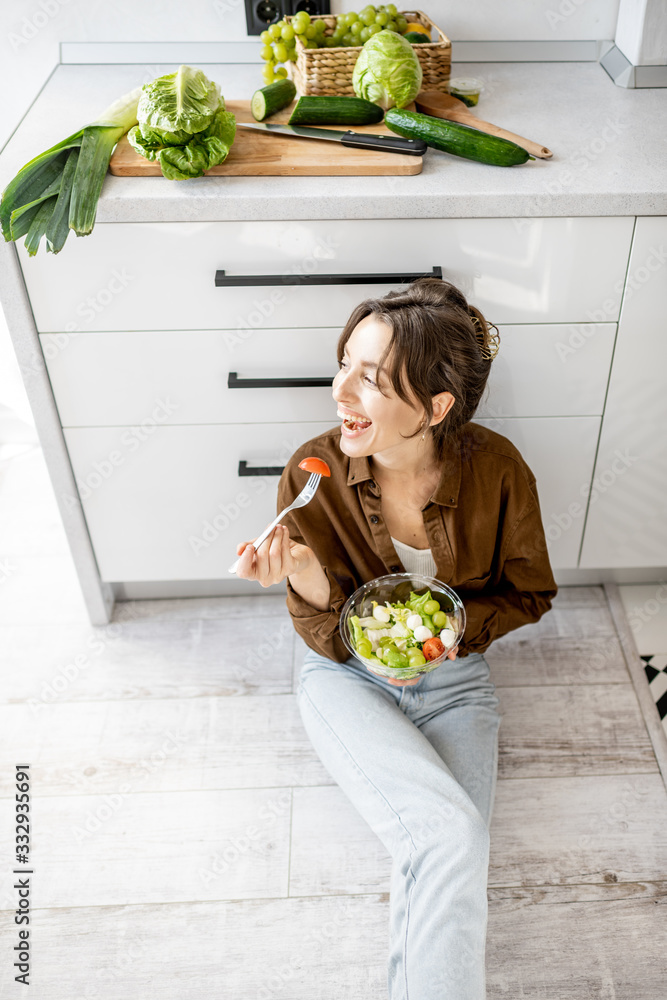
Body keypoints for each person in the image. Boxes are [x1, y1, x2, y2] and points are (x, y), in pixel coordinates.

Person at [234, 277, 558, 1000]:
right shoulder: (309, 472)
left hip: (456, 682)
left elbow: (530, 590)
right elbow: (327, 635)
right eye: (343, 363)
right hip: (346, 680)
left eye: (371, 379)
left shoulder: (498, 472)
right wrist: (307, 571)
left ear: (435, 407)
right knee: (449, 836)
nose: (340, 391)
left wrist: (447, 638)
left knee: (449, 844)